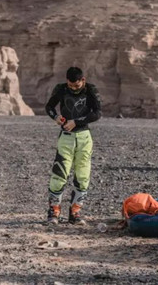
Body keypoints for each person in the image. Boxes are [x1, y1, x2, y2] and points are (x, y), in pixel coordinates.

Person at [45, 66, 102, 225]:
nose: (74, 89)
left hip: (84, 137)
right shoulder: (61, 89)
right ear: (66, 81)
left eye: (76, 86)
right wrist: (56, 117)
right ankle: (54, 212)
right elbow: (49, 107)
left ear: (83, 80)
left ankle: (75, 213)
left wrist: (76, 122)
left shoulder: (91, 90)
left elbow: (97, 113)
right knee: (59, 174)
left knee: (83, 176)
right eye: (70, 86)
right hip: (66, 138)